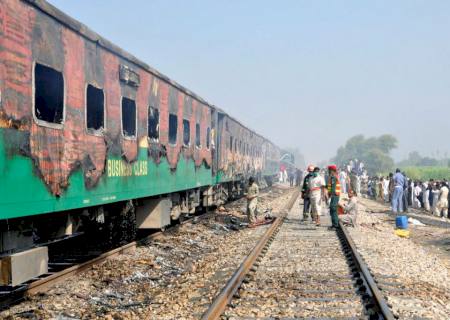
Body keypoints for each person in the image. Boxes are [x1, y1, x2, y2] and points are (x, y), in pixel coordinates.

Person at [327, 165, 341, 229]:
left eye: (330, 170)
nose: (329, 172)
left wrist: (330, 196)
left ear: (332, 171)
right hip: (334, 195)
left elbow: (333, 188)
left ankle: (335, 224)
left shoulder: (334, 178)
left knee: (333, 208)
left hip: (335, 195)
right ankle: (334, 224)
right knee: (332, 209)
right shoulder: (333, 177)